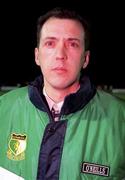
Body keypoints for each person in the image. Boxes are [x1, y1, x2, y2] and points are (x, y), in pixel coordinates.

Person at [0, 7, 125, 180]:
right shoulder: (3, 109)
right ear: (37, 55)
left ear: (85, 59)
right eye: (50, 43)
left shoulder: (121, 119)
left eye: (72, 44)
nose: (60, 54)